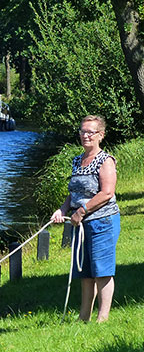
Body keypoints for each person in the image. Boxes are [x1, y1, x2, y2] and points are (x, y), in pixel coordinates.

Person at [50, 115, 120, 322]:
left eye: (90, 132)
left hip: (102, 221)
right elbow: (74, 192)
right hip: (80, 224)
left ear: (101, 135)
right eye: (82, 131)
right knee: (84, 270)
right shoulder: (77, 160)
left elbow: (107, 193)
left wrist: (81, 211)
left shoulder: (105, 160)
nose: (85, 135)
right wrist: (62, 210)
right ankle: (83, 317)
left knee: (102, 271)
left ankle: (102, 318)